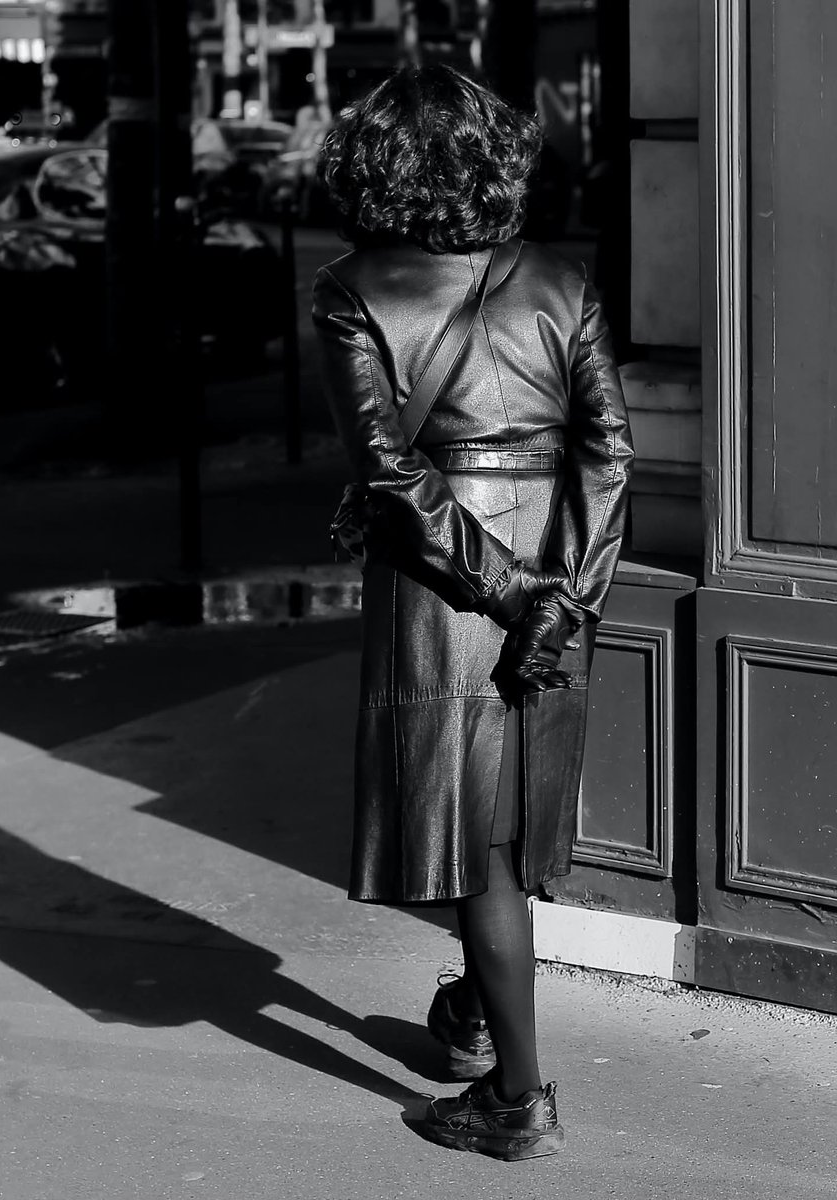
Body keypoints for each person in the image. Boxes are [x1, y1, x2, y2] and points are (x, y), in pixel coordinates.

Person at [311, 64, 633, 1161]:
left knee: (475, 841)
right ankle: (468, 1011)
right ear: (497, 153)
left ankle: (518, 1101)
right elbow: (610, 454)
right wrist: (566, 596)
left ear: (376, 165)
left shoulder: (353, 287)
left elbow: (396, 478)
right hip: (549, 564)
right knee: (499, 826)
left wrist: (513, 596)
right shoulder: (562, 279)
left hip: (447, 582)